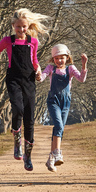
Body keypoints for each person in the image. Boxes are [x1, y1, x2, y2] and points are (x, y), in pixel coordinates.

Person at [0, 8, 49, 171]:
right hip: (13, 78)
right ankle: (17, 142)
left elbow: (34, 59)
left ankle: (28, 157)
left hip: (29, 80)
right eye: (18, 27)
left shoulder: (32, 42)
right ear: (13, 25)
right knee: (18, 108)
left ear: (28, 27)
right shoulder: (8, 41)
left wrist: (38, 70)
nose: (21, 30)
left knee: (29, 117)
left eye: (24, 27)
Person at [39, 44, 87, 172]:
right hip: (53, 100)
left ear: (67, 57)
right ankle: (58, 153)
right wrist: (38, 75)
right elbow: (42, 77)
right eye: (56, 58)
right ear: (53, 59)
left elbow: (81, 79)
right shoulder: (51, 69)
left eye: (62, 58)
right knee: (59, 126)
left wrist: (84, 65)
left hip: (66, 102)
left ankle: (51, 159)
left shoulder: (70, 69)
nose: (59, 61)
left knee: (59, 128)